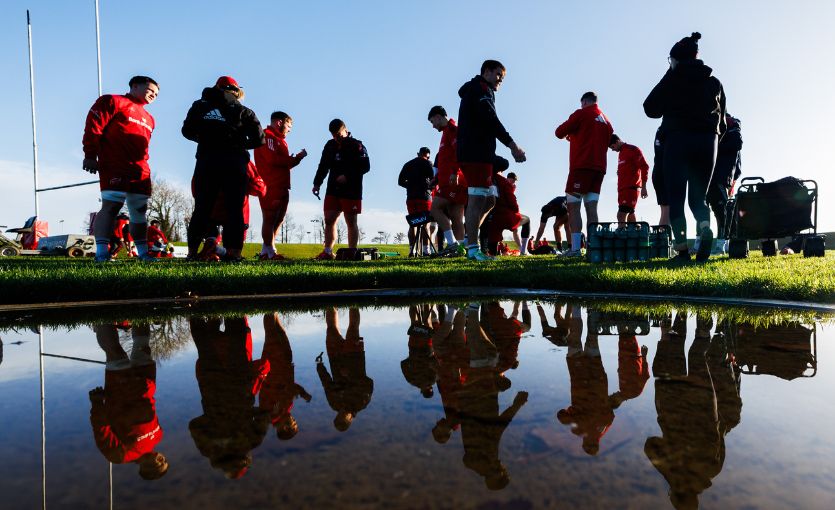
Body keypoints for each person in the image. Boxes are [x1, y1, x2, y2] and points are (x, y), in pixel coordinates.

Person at [644, 32, 727, 262]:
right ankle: (704, 229)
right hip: (707, 143)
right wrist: (712, 141)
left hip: (677, 141)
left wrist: (670, 73)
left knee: (677, 199)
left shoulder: (673, 79)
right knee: (698, 199)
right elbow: (722, 122)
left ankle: (681, 252)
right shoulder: (714, 82)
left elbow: (650, 107)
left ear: (675, 59)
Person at [182, 76, 265, 262]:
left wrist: (204, 140)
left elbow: (186, 130)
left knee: (202, 208)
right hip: (234, 162)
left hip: (207, 160)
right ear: (236, 91)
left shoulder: (200, 105)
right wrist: (239, 143)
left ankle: (192, 253)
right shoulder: (244, 110)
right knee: (234, 210)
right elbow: (260, 139)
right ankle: (234, 253)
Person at [83, 76, 160, 262]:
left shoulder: (150, 119)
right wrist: (90, 155)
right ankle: (101, 253)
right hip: (115, 165)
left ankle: (143, 253)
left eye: (156, 94)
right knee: (111, 206)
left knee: (139, 210)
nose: (153, 95)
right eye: (150, 90)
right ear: (135, 86)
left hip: (140, 170)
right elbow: (94, 126)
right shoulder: (113, 101)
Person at [457, 60, 527, 261]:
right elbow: (491, 120)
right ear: (486, 72)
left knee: (489, 200)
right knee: (478, 198)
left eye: (502, 78)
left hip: (482, 153)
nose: (500, 81)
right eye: (498, 75)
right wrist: (513, 145)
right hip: (475, 152)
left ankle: (468, 239)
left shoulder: (480, 89)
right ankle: (472, 248)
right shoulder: (480, 89)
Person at [189, 316, 270, 479]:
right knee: (205, 342)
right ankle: (193, 304)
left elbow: (264, 415)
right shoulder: (209, 448)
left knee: (236, 336)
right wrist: (212, 415)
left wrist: (247, 411)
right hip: (212, 384)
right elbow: (194, 425)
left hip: (239, 382)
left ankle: (232, 303)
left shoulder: (251, 441)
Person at [89, 322, 168, 480]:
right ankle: (139, 310)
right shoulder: (158, 436)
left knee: (115, 351)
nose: (162, 459)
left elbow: (101, 429)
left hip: (121, 390)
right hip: (145, 384)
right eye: (165, 460)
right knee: (143, 346)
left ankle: (101, 317)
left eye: (159, 464)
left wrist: (97, 404)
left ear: (144, 470)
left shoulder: (120, 456)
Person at [555, 91, 614, 256]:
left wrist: (571, 133)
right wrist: (576, 135)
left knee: (573, 206)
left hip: (582, 165)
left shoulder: (581, 113)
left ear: (585, 102)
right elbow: (595, 138)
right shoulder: (607, 121)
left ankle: (575, 249)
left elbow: (559, 132)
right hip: (600, 168)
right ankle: (593, 247)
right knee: (592, 207)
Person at [312, 119, 370, 260]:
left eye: (338, 134)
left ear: (345, 130)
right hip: (333, 188)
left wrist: (347, 176)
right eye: (333, 135)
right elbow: (323, 165)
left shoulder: (357, 145)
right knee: (329, 220)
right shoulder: (330, 145)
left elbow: (365, 166)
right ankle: (327, 251)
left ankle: (352, 252)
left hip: (351, 190)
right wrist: (317, 183)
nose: (336, 138)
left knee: (351, 221)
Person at [254, 111, 308, 260]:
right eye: (289, 125)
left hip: (282, 184)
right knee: (270, 217)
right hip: (271, 184)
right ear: (279, 122)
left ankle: (268, 250)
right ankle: (268, 251)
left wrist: (296, 160)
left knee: (278, 219)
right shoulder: (268, 136)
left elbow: (282, 163)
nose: (290, 129)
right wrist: (295, 159)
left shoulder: (280, 140)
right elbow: (272, 160)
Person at [316, 308, 374, 431]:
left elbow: (327, 384)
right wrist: (351, 376)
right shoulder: (361, 403)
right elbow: (369, 383)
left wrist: (319, 366)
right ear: (350, 419)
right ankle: (354, 301)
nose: (342, 413)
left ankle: (331, 300)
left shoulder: (334, 404)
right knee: (353, 327)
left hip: (335, 359)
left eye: (338, 416)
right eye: (344, 417)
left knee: (331, 329)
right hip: (355, 359)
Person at [258, 312, 312, 440]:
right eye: (294, 421)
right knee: (281, 333)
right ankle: (274, 309)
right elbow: (290, 388)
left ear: (284, 427)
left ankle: (268, 308)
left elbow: (272, 390)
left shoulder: (270, 413)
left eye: (292, 423)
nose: (293, 419)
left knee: (271, 334)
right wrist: (302, 392)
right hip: (286, 365)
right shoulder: (287, 409)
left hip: (274, 366)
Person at [427, 105, 467, 256]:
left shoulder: (452, 130)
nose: (433, 125)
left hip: (452, 182)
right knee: (456, 216)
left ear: (438, 116)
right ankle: (461, 249)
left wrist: (455, 172)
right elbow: (446, 160)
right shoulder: (445, 133)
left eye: (432, 121)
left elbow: (460, 153)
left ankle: (452, 244)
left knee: (435, 209)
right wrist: (436, 179)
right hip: (447, 180)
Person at [707, 113, 742, 253]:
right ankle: (722, 242)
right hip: (711, 175)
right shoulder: (715, 126)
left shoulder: (732, 128)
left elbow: (736, 146)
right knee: (714, 209)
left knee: (722, 210)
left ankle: (722, 243)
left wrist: (716, 147)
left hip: (721, 175)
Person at [398, 147, 435, 256]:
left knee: (413, 224)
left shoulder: (408, 164)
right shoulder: (428, 163)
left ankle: (412, 250)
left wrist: (410, 186)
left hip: (411, 197)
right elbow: (433, 180)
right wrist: (428, 187)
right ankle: (425, 250)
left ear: (418, 153)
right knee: (425, 224)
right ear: (427, 155)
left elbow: (400, 181)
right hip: (425, 197)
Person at [486, 166, 530, 256]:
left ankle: (490, 252)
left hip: (490, 214)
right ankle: (523, 250)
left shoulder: (488, 178)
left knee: (504, 231)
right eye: (513, 180)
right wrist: (516, 211)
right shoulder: (504, 182)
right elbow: (512, 202)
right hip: (503, 215)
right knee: (526, 220)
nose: (513, 182)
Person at [609, 134, 650, 225]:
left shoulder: (632, 150)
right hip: (622, 190)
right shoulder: (621, 153)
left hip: (631, 188)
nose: (613, 150)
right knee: (631, 215)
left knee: (621, 215)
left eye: (613, 147)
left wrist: (644, 187)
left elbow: (644, 166)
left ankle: (621, 237)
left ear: (617, 141)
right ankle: (636, 236)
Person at [651, 128, 671, 226]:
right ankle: (663, 237)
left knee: (665, 209)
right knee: (667, 208)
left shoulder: (659, 131)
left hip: (658, 172)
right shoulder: (668, 130)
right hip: (664, 172)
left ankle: (663, 236)